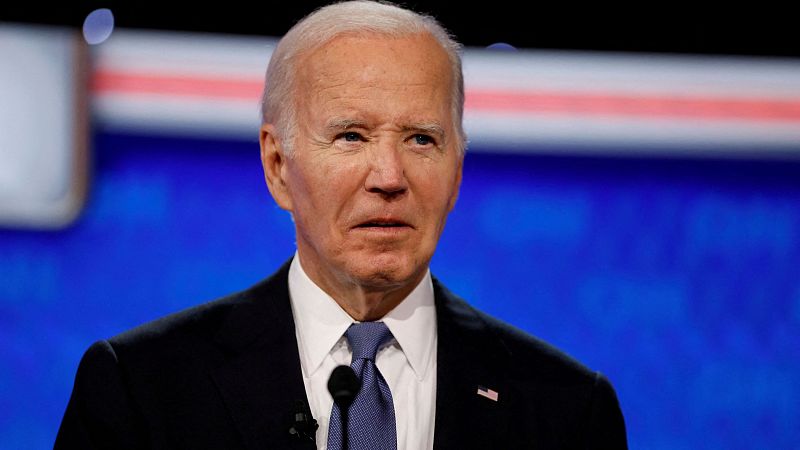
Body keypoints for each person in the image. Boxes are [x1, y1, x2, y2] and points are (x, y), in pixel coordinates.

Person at [55, 1, 627, 449]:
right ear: (278, 166)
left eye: (421, 139)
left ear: (456, 173)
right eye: (351, 135)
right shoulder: (141, 389)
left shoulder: (568, 410)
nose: (389, 176)